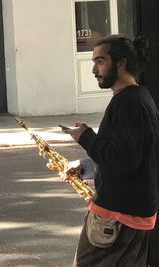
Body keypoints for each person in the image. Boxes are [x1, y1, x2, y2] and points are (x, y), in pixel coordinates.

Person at [62, 35, 159, 267]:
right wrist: (86, 166)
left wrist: (85, 137)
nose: (94, 70)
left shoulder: (127, 103)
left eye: (100, 61)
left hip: (115, 216)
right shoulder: (141, 98)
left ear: (121, 63)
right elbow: (132, 155)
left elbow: (124, 161)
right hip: (135, 214)